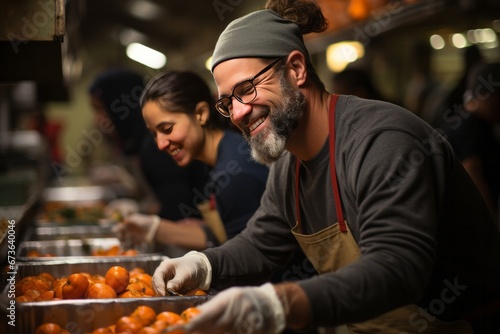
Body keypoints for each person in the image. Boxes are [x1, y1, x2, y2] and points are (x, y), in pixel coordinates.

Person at [150, 1, 500, 333]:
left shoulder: (381, 141)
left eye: (247, 88)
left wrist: (281, 304)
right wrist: (202, 265)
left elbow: (397, 267)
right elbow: (261, 243)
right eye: (228, 102)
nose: (239, 112)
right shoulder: (290, 164)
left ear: (296, 69)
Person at [120, 70, 271, 251]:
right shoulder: (218, 156)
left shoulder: (234, 174)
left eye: (167, 129)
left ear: (201, 113)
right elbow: (228, 234)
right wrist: (155, 227)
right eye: (153, 134)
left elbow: (247, 254)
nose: (160, 144)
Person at [88, 68, 209, 226]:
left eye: (102, 109)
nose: (99, 119)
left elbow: (177, 210)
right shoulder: (137, 142)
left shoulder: (154, 147)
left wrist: (143, 216)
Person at [440, 62, 500, 224]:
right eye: (497, 99)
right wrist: (489, 223)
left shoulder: (466, 120)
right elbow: (472, 171)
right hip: (467, 223)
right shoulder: (472, 125)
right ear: (484, 96)